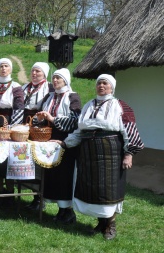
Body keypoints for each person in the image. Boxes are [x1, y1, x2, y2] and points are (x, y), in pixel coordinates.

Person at [56, 74, 144, 240]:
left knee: (108, 189)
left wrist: (129, 154)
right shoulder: (89, 105)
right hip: (89, 153)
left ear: (111, 87)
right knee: (94, 189)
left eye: (105, 83)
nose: (101, 86)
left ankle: (110, 224)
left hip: (111, 152)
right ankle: (101, 223)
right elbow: (79, 131)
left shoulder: (120, 105)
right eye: (99, 84)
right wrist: (65, 143)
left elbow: (129, 131)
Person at [33, 68, 81, 223]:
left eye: (58, 79)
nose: (54, 81)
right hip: (49, 140)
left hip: (65, 142)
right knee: (52, 176)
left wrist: (53, 119)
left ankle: (68, 212)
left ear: (65, 81)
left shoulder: (73, 97)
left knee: (64, 176)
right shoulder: (49, 96)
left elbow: (75, 121)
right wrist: (40, 119)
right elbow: (42, 116)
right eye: (53, 78)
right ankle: (61, 210)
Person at [0, 58, 24, 208]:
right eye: (1, 66)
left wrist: (11, 128)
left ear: (11, 69)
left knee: (8, 161)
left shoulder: (16, 87)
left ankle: (9, 194)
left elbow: (19, 108)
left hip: (9, 124)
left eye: (6, 66)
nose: (3, 68)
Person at [22, 62, 54, 211]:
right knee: (27, 161)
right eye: (33, 71)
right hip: (25, 125)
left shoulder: (49, 88)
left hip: (40, 129)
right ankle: (33, 195)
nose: (34, 74)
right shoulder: (24, 88)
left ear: (44, 74)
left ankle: (40, 198)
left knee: (39, 161)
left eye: (38, 72)